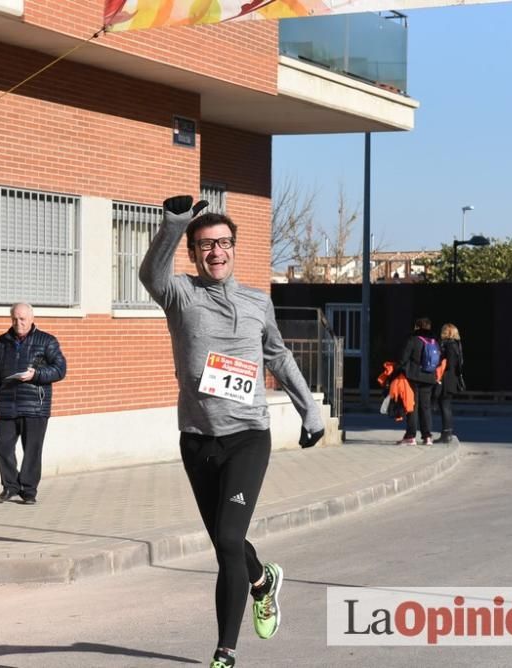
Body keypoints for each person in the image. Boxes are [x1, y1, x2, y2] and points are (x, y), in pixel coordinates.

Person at [139, 196, 325, 668]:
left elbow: (278, 355)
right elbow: (149, 275)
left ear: (234, 249)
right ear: (194, 252)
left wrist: (311, 410)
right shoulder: (180, 294)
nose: (215, 252)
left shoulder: (257, 301)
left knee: (226, 540)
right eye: (205, 245)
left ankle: (225, 652)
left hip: (247, 435)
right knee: (228, 540)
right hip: (198, 438)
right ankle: (262, 579)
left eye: (223, 243)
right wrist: (176, 223)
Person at [0, 303, 67, 505]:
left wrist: (36, 374)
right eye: (14, 319)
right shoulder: (0, 342)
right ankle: (10, 486)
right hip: (7, 405)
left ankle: (29, 491)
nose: (18, 323)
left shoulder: (47, 341)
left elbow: (59, 370)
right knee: (2, 444)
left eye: (22, 319)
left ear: (31, 318)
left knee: (32, 449)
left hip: (35, 406)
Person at [397, 317, 438, 445]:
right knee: (426, 407)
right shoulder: (434, 341)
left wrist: (400, 369)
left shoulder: (413, 339)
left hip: (413, 376)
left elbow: (403, 358)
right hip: (429, 377)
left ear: (417, 327)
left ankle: (411, 436)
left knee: (412, 406)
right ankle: (427, 437)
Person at [437, 323, 464, 443]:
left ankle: (446, 434)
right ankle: (446, 432)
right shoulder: (457, 345)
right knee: (445, 406)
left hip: (447, 379)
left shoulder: (449, 346)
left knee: (445, 406)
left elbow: (450, 365)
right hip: (452, 379)